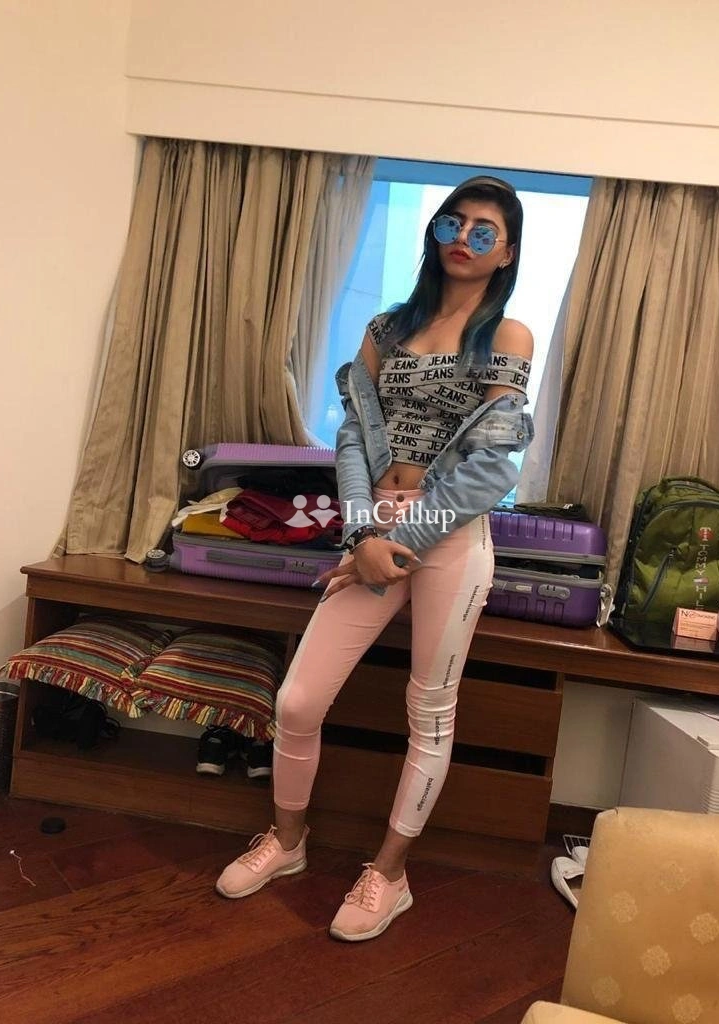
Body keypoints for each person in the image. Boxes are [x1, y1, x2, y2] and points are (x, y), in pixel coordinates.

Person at [215, 176, 534, 941]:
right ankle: (288, 842)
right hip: (373, 535)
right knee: (298, 701)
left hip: (449, 537)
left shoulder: (508, 336)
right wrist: (363, 536)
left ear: (506, 252)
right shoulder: (387, 328)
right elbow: (355, 435)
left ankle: (390, 875)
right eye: (453, 223)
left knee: (429, 711)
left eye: (483, 231)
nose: (463, 239)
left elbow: (493, 467)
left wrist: (401, 542)